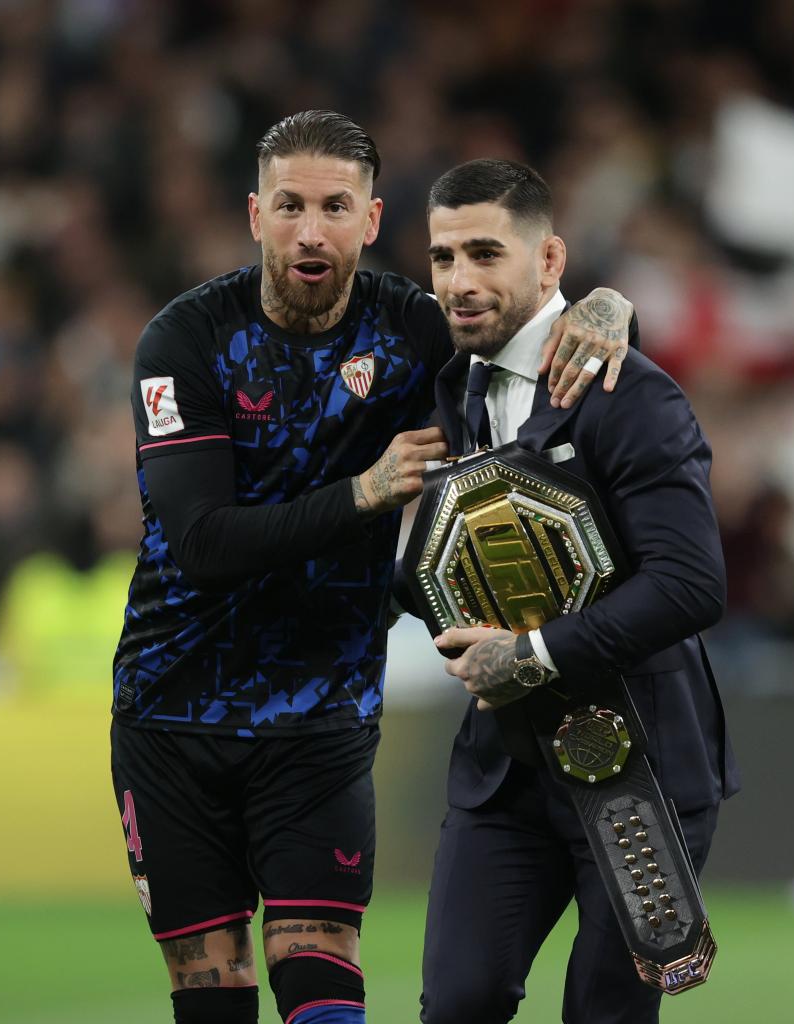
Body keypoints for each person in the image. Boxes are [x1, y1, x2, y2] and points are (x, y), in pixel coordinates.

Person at [109, 110, 637, 1024]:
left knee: (320, 984)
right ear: (254, 215)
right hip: (169, 714)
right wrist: (362, 495)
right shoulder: (185, 342)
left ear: (371, 220)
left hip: (321, 718)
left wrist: (611, 305)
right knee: (214, 1004)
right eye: (289, 205)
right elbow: (198, 544)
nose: (309, 229)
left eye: (334, 206)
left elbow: (528, 328)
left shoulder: (411, 331)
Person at [416, 158, 741, 1024]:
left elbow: (692, 583)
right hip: (505, 774)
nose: (461, 280)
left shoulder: (630, 395)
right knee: (458, 1001)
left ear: (551, 260)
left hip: (640, 767)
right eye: (444, 258)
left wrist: (531, 653)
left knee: (605, 1017)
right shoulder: (451, 382)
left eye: (487, 253)